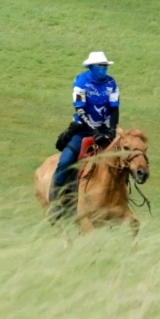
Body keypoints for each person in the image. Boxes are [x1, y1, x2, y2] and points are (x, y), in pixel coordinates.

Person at [48, 51, 120, 221]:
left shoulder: (112, 83)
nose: (104, 69)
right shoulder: (81, 81)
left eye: (105, 66)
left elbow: (114, 108)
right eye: (100, 66)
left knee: (123, 161)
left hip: (105, 130)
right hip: (83, 130)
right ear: (91, 67)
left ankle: (120, 200)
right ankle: (56, 203)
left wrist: (111, 129)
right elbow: (80, 109)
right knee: (65, 162)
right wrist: (94, 133)